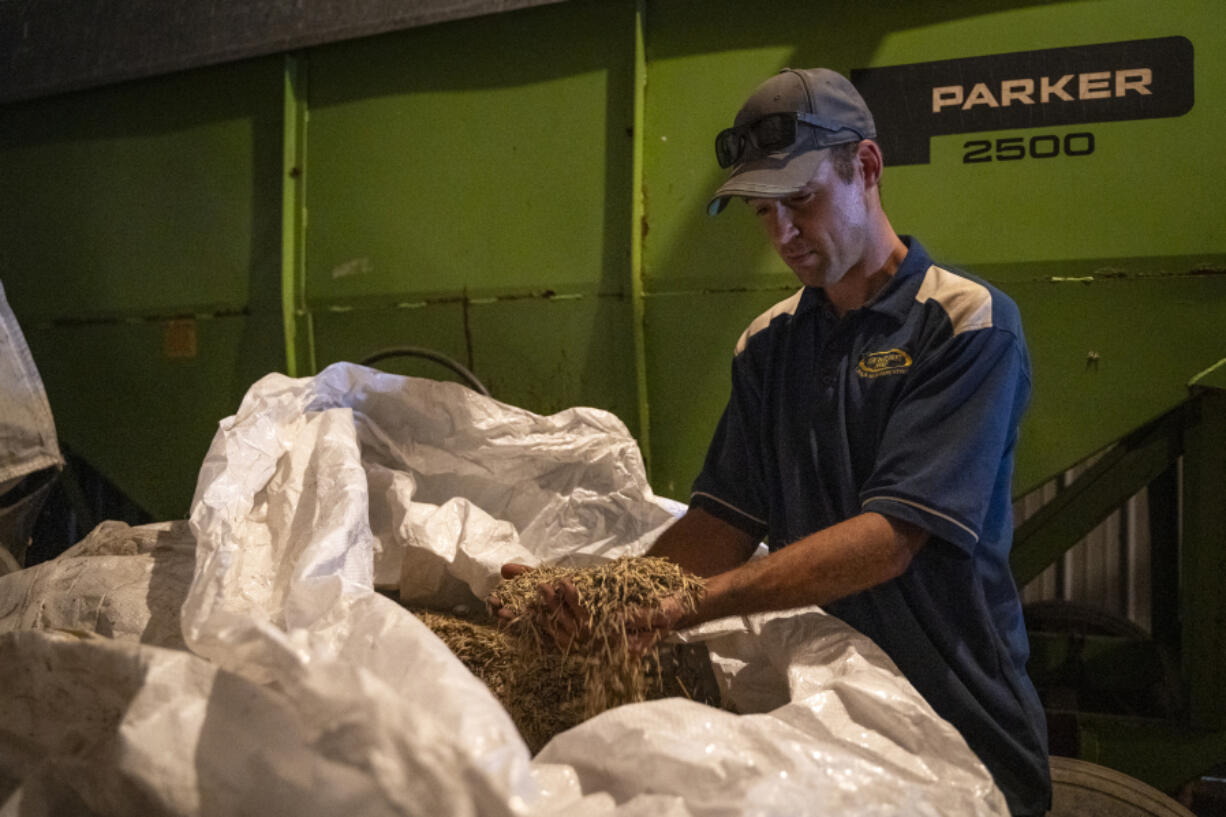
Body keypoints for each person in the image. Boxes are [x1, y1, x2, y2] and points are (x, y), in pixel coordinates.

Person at [494, 67, 1051, 816]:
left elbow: (888, 539)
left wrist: (691, 607)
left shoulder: (964, 323)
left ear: (867, 167)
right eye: (763, 211)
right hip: (829, 726)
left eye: (800, 201)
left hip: (957, 727)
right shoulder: (769, 345)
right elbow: (721, 526)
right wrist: (604, 599)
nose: (781, 234)